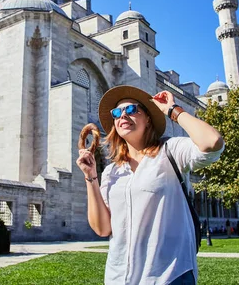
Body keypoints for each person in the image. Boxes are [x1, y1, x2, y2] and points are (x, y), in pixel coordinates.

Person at [76, 86, 224, 284]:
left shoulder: (170, 151)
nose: (123, 116)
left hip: (169, 276)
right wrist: (91, 177)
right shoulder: (113, 171)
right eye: (117, 113)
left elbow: (212, 142)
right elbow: (102, 229)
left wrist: (173, 110)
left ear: (148, 118)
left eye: (131, 110)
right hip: (119, 277)